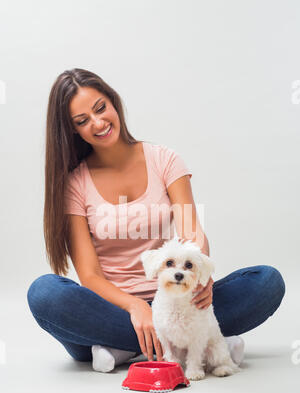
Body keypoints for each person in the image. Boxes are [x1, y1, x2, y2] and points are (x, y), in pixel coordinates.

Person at [27, 68, 286, 373]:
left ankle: (122, 348)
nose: (98, 123)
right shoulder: (75, 183)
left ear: (113, 102)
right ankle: (202, 343)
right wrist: (135, 306)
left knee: (266, 282)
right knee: (44, 294)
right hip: (114, 309)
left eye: (100, 108)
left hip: (177, 298)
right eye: (82, 121)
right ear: (72, 131)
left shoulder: (164, 159)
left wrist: (200, 277)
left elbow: (192, 231)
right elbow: (90, 276)